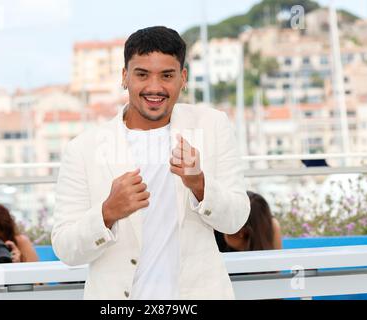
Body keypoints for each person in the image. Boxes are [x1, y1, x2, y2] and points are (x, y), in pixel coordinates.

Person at [52, 26, 250, 300]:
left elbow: (236, 219)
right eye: (142, 74)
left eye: (167, 75)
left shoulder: (213, 126)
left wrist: (200, 185)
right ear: (125, 77)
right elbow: (66, 248)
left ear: (183, 78)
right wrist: (107, 212)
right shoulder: (82, 149)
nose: (154, 88)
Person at [214, 191, 282, 252]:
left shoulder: (271, 225)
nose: (224, 229)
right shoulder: (214, 227)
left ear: (242, 232)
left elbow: (276, 262)